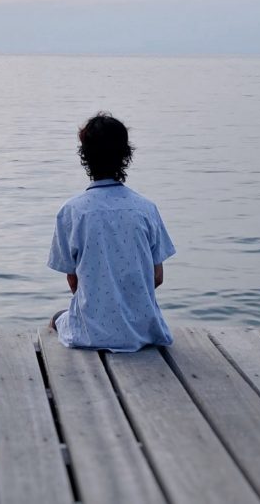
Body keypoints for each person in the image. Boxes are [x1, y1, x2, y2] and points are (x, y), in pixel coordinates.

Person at [48, 112, 176, 352]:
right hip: (143, 331)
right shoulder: (146, 209)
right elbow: (157, 277)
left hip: (91, 333)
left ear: (84, 157)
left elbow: (73, 281)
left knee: (57, 318)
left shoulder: (71, 211)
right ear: (125, 155)